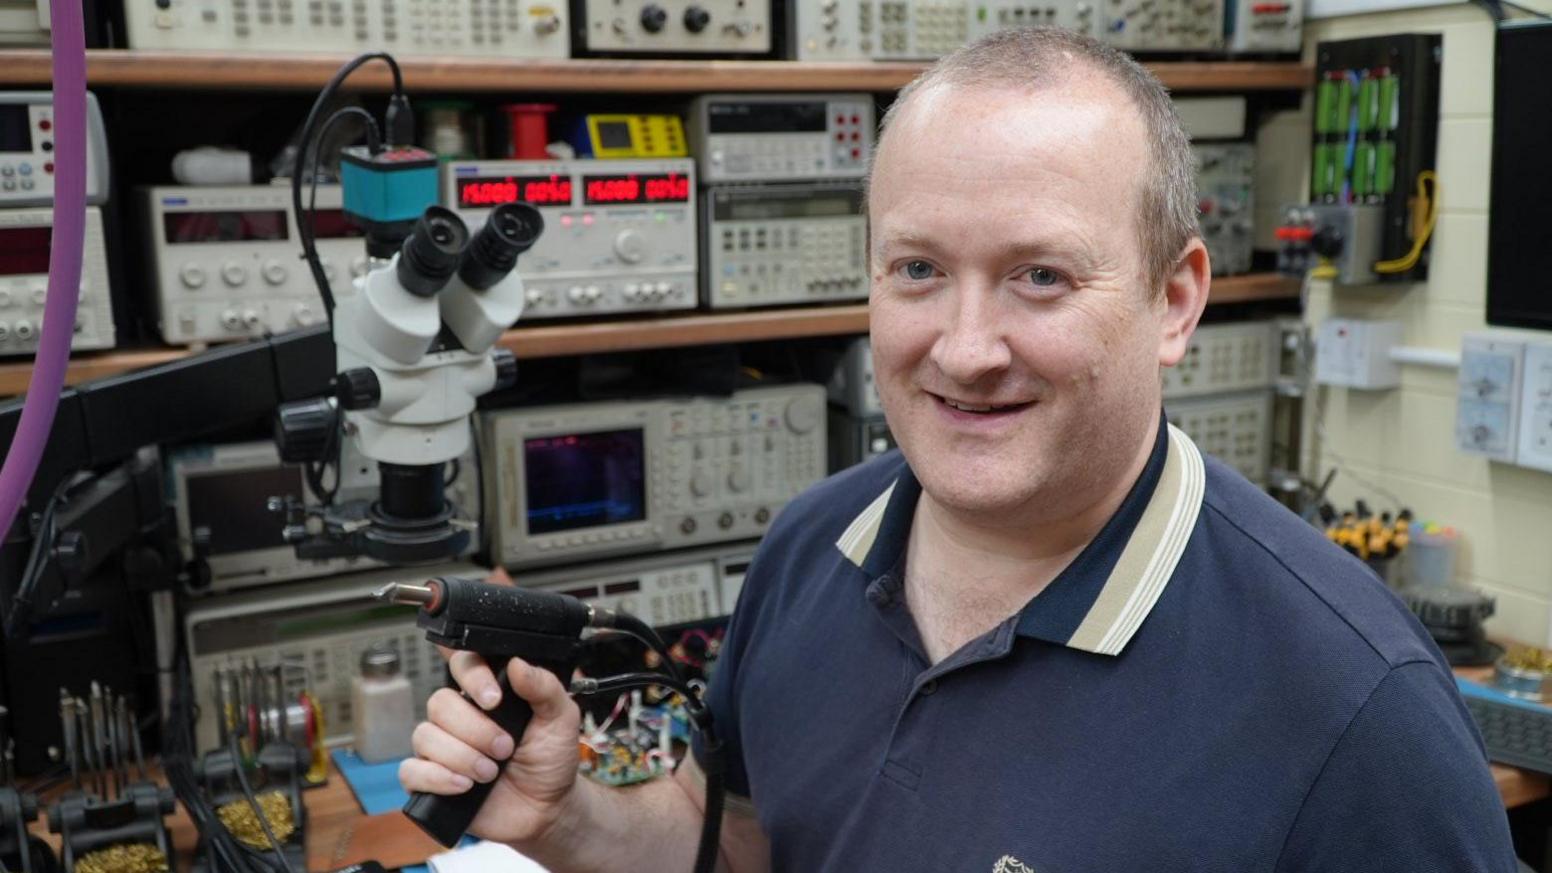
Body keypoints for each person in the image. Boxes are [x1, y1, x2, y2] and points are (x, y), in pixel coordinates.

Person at [400, 27, 1518, 872]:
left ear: (1175, 302)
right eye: (918, 270)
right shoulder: (809, 546)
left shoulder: (1353, 707)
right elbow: (752, 845)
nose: (966, 350)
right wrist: (570, 818)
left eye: (1040, 275)